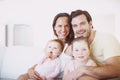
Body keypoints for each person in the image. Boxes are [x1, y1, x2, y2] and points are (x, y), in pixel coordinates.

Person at [63, 9, 120, 80]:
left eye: (82, 23)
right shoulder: (77, 44)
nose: (79, 29)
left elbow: (116, 70)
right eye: (75, 26)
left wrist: (82, 70)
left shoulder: (107, 38)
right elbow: (62, 61)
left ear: (90, 24)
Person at [17, 13, 74, 80]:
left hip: (52, 77)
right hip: (39, 72)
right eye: (59, 26)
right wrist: (30, 70)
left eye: (66, 26)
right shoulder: (50, 43)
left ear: (70, 27)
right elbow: (43, 61)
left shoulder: (72, 45)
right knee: (21, 77)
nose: (63, 29)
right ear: (54, 27)